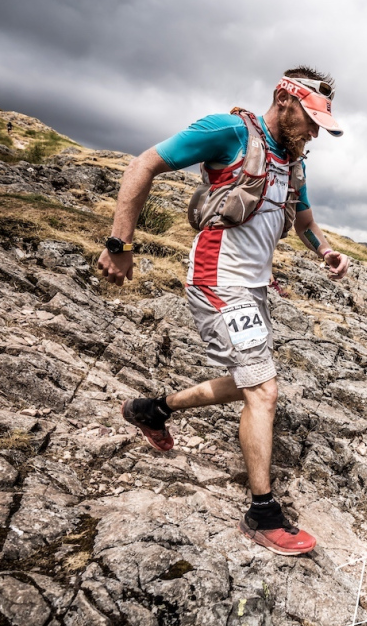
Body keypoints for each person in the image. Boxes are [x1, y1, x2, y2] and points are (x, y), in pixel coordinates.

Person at [96, 66, 349, 556]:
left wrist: (324, 252)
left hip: (252, 290)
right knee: (263, 388)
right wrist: (119, 242)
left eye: (320, 124)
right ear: (283, 98)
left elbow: (304, 220)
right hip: (216, 282)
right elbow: (143, 164)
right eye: (309, 119)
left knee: (248, 379)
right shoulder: (228, 131)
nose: (315, 131)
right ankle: (262, 513)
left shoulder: (295, 163)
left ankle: (152, 410)